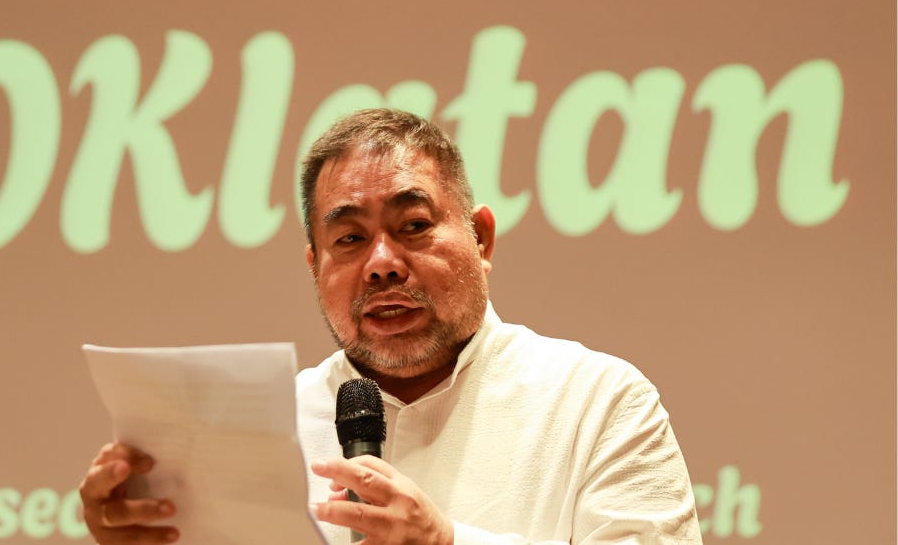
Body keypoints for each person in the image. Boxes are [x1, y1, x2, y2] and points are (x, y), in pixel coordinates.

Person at [79, 109, 702, 544]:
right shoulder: (259, 430)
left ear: (481, 237)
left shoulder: (599, 401)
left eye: (414, 226)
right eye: (350, 239)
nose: (381, 264)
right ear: (315, 265)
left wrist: (447, 543)